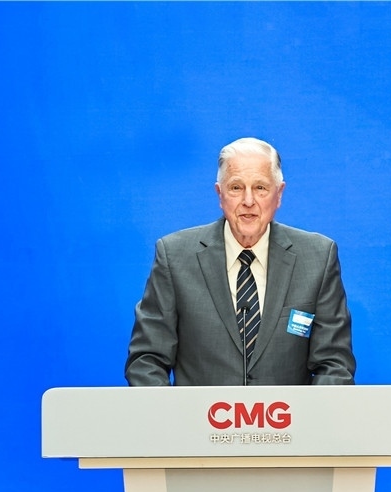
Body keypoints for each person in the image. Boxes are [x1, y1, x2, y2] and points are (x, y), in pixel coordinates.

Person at [125, 137, 356, 386]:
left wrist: (310, 411)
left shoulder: (317, 257)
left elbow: (334, 364)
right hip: (199, 412)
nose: (248, 201)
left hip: (287, 412)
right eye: (236, 187)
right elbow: (146, 360)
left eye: (260, 188)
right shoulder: (175, 256)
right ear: (220, 194)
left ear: (279, 194)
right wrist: (174, 411)